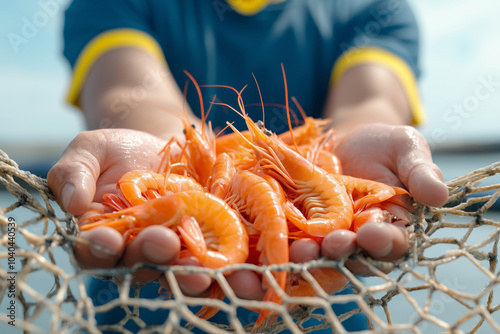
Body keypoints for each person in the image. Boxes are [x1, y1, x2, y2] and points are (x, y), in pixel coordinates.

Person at [48, 0, 449, 331]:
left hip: (325, 316)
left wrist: (353, 142)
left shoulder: (376, 7)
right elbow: (128, 90)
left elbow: (369, 100)